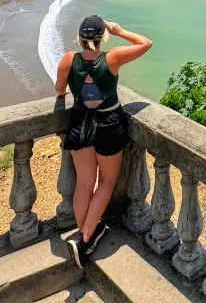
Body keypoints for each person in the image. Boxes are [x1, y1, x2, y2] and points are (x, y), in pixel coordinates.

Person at [55, 14, 152, 267]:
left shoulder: (68, 59)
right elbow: (145, 43)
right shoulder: (112, 58)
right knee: (106, 182)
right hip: (108, 123)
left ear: (79, 37)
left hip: (79, 123)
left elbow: (58, 89)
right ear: (102, 38)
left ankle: (83, 233)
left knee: (84, 184)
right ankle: (85, 240)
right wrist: (120, 31)